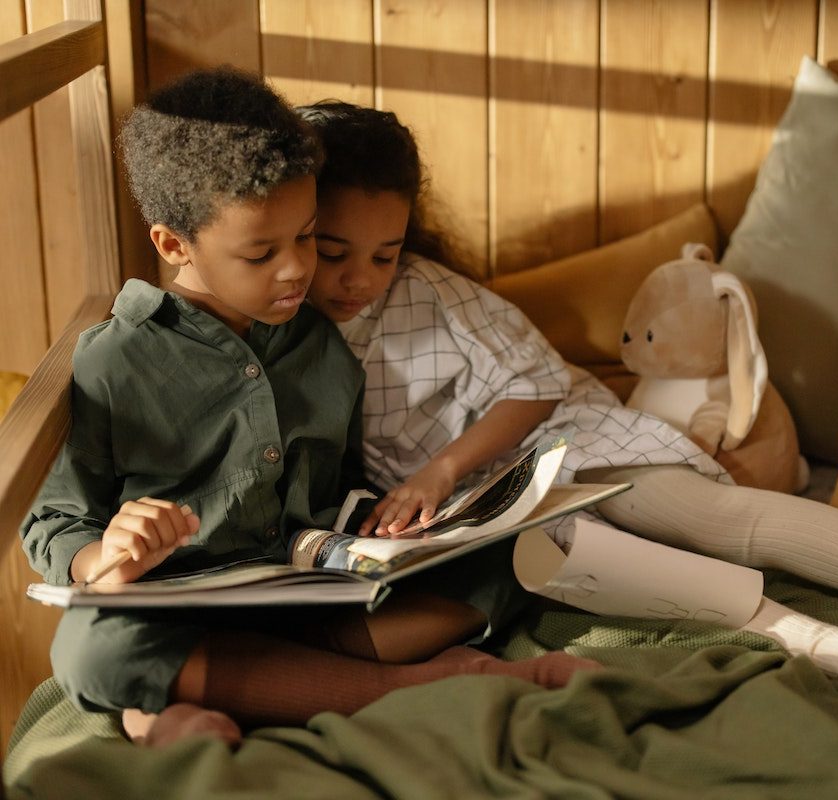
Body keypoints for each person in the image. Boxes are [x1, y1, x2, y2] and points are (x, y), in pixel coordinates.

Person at [300, 99, 838, 739]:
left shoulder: (427, 293)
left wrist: (441, 469)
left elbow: (538, 386)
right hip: (490, 515)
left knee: (713, 519)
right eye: (333, 254)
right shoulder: (287, 327)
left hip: (562, 441)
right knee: (619, 573)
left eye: (385, 254)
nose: (360, 278)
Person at [19, 68, 596, 750]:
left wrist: (392, 530)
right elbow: (54, 524)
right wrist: (103, 557)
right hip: (179, 607)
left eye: (306, 238)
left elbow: (341, 481)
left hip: (310, 596)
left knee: (510, 557)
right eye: (263, 252)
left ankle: (184, 705)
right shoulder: (113, 361)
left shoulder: (321, 343)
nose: (296, 270)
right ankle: (418, 684)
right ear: (174, 245)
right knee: (91, 649)